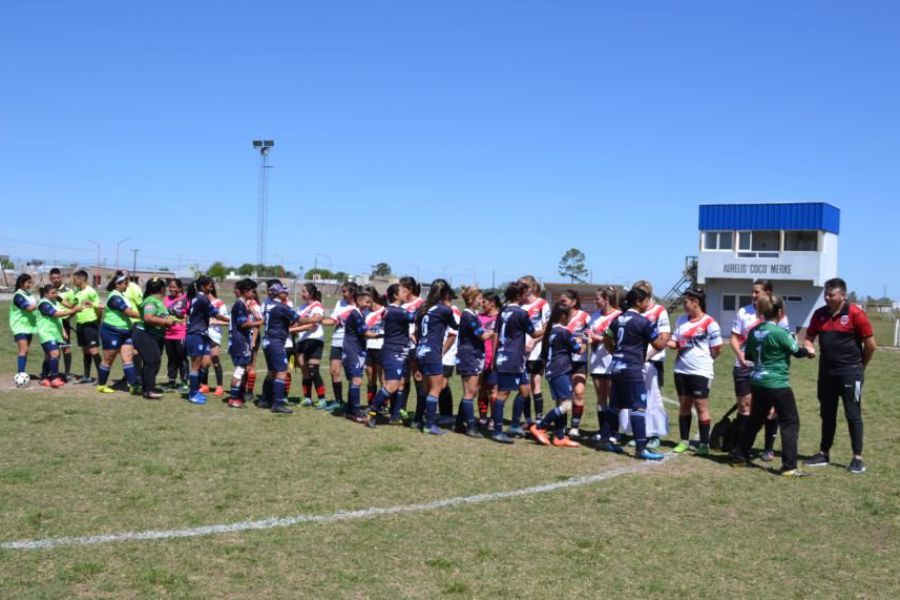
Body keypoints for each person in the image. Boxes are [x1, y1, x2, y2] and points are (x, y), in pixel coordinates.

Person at [731, 295, 815, 477]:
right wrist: (809, 352)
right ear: (780, 312)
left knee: (755, 420)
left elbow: (751, 357)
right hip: (777, 383)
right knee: (790, 422)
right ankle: (789, 466)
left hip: (757, 381)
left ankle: (740, 455)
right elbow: (797, 352)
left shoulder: (754, 332)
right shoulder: (780, 333)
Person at [803, 278, 876, 474]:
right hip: (826, 374)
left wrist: (861, 367)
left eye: (831, 295)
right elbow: (809, 337)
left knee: (853, 414)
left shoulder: (855, 314)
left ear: (843, 295)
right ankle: (823, 453)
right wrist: (809, 346)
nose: (827, 298)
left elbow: (871, 345)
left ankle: (857, 457)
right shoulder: (819, 315)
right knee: (827, 414)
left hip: (850, 373)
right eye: (826, 294)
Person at [601, 285, 668, 460]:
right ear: (638, 302)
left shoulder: (617, 319)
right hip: (632, 367)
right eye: (646, 299)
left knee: (615, 405)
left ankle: (606, 440)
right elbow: (659, 345)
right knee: (638, 406)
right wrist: (667, 337)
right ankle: (641, 447)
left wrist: (614, 352)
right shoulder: (643, 322)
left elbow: (605, 338)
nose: (649, 302)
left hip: (616, 366)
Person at [730, 279, 789, 460]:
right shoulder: (743, 312)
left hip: (767, 370)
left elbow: (784, 342)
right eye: (753, 292)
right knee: (745, 407)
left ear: (769, 293)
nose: (754, 295)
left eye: (757, 292)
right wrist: (740, 356)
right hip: (744, 367)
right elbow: (734, 337)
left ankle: (767, 449)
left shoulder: (779, 315)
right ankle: (742, 448)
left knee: (771, 410)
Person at [668, 288, 722, 455]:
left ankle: (704, 443)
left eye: (686, 302)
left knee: (700, 406)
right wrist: (660, 341)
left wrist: (704, 361)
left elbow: (717, 349)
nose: (684, 305)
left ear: (695, 302)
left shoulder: (710, 323)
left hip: (701, 371)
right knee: (684, 405)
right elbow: (675, 342)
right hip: (681, 370)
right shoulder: (680, 321)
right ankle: (684, 441)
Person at [491, 281, 542, 444]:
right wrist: (549, 327)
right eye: (526, 294)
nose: (528, 297)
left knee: (525, 390)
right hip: (510, 358)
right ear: (518, 295)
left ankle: (514, 424)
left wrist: (494, 355)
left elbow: (496, 334)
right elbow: (534, 334)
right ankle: (497, 431)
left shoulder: (504, 311)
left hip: (513, 358)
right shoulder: (520, 313)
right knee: (503, 394)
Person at [530, 301, 582, 448]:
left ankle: (559, 437)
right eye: (570, 315)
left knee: (561, 403)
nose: (571, 317)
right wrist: (585, 340)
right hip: (560, 371)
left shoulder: (550, 332)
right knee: (566, 405)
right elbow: (578, 349)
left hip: (552, 370)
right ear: (563, 316)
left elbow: (544, 354)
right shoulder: (563, 332)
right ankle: (540, 427)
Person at [366, 284, 417, 427]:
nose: (406, 292)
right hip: (393, 352)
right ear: (395, 295)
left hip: (401, 351)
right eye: (402, 290)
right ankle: (372, 412)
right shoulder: (395, 311)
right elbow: (415, 317)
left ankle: (394, 416)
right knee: (392, 385)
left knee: (400, 384)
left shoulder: (396, 310)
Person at [413, 279, 458, 434]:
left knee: (426, 388)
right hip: (432, 351)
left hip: (420, 350)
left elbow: (417, 332)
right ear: (445, 293)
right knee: (436, 388)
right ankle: (430, 424)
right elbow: (456, 327)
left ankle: (421, 419)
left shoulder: (423, 309)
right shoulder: (444, 310)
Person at [454, 287, 493, 437]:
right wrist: (495, 331)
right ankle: (471, 427)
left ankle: (459, 423)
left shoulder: (473, 314)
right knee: (469, 393)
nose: (481, 301)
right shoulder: (467, 316)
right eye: (479, 298)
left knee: (473, 391)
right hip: (469, 356)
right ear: (471, 299)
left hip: (475, 356)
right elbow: (481, 335)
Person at [132, 278, 179, 399]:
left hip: (153, 335)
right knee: (153, 360)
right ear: (162, 289)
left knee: (152, 361)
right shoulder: (151, 301)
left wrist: (173, 320)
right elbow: (148, 318)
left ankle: (146, 388)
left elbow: (160, 317)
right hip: (144, 334)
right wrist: (165, 322)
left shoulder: (157, 301)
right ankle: (149, 390)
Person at [586, 287, 623, 443]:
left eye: (598, 299)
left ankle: (614, 431)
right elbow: (589, 334)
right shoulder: (594, 316)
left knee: (613, 397)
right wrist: (587, 339)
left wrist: (598, 338)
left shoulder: (619, 316)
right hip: (596, 361)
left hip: (611, 361)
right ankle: (603, 430)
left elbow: (619, 339)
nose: (595, 301)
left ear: (606, 300)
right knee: (601, 398)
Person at [259, 282, 301, 413]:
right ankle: (279, 402)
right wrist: (314, 319)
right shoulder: (282, 306)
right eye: (284, 291)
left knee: (273, 372)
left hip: (268, 341)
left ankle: (265, 399)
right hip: (279, 342)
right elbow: (298, 319)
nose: (287, 293)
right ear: (278, 293)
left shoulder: (267, 305)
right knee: (283, 371)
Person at [96, 273, 141, 394]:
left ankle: (133, 386)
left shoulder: (121, 295)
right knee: (108, 359)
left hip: (126, 332)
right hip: (112, 332)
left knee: (128, 358)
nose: (127, 285)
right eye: (125, 283)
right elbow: (129, 313)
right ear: (118, 284)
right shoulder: (115, 297)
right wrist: (146, 317)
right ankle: (101, 385)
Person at [35, 284, 82, 387]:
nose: (55, 295)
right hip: (46, 334)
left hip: (56, 334)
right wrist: (73, 311)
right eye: (52, 293)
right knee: (55, 353)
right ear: (45, 294)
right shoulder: (43, 304)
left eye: (56, 292)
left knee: (49, 356)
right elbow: (56, 314)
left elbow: (58, 319)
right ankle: (55, 378)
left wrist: (63, 331)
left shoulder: (54, 302)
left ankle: (43, 378)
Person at [322, 282, 359, 411]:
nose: (342, 294)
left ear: (352, 292)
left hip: (351, 343)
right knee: (334, 371)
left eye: (344, 291)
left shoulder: (360, 306)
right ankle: (338, 401)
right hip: (336, 342)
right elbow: (332, 320)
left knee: (351, 374)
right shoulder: (340, 303)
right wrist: (317, 321)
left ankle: (351, 402)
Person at [226, 279, 263, 409]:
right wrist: (258, 323)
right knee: (240, 369)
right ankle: (233, 398)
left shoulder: (242, 304)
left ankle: (236, 396)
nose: (253, 293)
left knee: (242, 369)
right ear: (245, 291)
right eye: (252, 290)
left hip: (240, 340)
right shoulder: (240, 305)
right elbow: (243, 324)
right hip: (239, 341)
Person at [184, 276, 221, 405]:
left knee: (204, 363)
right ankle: (193, 394)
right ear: (202, 287)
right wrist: (231, 320)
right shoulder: (202, 299)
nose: (211, 288)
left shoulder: (197, 298)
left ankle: (196, 389)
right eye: (209, 286)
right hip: (196, 335)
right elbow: (216, 313)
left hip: (202, 334)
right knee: (195, 365)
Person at [520, 276, 551, 426]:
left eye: (523, 287)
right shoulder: (519, 306)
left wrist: (533, 341)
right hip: (520, 352)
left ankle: (539, 419)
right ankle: (527, 420)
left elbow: (547, 328)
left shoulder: (542, 304)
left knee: (535, 384)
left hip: (537, 351)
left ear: (530, 288)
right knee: (524, 386)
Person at [560, 290, 590, 438]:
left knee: (578, 393)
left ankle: (575, 427)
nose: (562, 303)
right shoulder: (560, 317)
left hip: (579, 361)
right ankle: (562, 426)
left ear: (573, 302)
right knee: (563, 396)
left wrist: (585, 340)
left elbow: (591, 334)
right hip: (563, 361)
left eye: (564, 301)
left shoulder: (584, 316)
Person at [340, 287, 372, 422]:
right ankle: (355, 412)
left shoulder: (360, 314)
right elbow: (365, 333)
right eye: (367, 302)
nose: (369, 305)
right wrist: (384, 334)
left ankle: (350, 411)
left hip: (355, 350)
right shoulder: (356, 314)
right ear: (359, 301)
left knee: (354, 381)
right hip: (353, 351)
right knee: (356, 380)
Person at [294, 283, 327, 408]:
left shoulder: (317, 306)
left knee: (313, 370)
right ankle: (307, 398)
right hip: (302, 340)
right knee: (304, 370)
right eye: (301, 291)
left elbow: (317, 319)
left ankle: (322, 399)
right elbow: (298, 322)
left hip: (315, 340)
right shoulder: (302, 307)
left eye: (304, 292)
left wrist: (301, 321)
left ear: (311, 294)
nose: (302, 294)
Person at [69, 269, 104, 384]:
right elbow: (73, 306)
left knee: (93, 350)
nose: (73, 281)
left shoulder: (91, 291)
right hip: (80, 324)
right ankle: (87, 376)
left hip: (90, 324)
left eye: (75, 279)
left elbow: (99, 308)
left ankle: (102, 377)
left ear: (82, 279)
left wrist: (97, 322)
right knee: (85, 351)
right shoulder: (77, 291)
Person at [477, 293, 502, 425]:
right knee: (481, 388)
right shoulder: (478, 317)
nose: (482, 304)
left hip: (496, 359)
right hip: (480, 358)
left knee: (494, 390)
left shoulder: (501, 318)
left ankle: (493, 417)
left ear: (492, 303)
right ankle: (482, 416)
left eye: (484, 302)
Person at [201, 284, 229, 397]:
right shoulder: (201, 302)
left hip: (215, 335)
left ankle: (219, 386)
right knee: (204, 362)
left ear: (210, 288)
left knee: (215, 360)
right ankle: (204, 385)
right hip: (203, 334)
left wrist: (214, 322)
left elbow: (228, 321)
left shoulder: (219, 303)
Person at [9, 273, 38, 375]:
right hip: (19, 327)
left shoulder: (29, 294)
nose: (30, 285)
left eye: (31, 283)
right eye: (28, 283)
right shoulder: (18, 296)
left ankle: (22, 372)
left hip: (29, 326)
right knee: (23, 349)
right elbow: (29, 308)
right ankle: (20, 374)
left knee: (26, 351)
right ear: (21, 283)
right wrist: (41, 303)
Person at [49, 268, 74, 381]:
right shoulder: (47, 290)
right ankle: (52, 372)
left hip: (64, 321)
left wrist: (67, 318)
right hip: (51, 322)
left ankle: (67, 373)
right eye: (53, 278)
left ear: (61, 277)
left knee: (66, 349)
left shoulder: (68, 290)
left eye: (58, 277)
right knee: (52, 348)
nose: (56, 280)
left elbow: (72, 307)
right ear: (50, 278)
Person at [164, 279, 189, 392]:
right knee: (171, 359)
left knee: (181, 358)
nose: (171, 289)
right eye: (170, 287)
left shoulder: (186, 299)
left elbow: (189, 315)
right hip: (168, 334)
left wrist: (181, 318)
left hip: (181, 333)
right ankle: (171, 381)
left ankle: (184, 382)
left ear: (180, 288)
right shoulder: (166, 299)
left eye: (174, 287)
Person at [364, 286, 386, 409]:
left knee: (383, 378)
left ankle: (382, 405)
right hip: (368, 348)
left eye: (365, 297)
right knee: (370, 378)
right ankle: (371, 404)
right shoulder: (365, 313)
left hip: (381, 348)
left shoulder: (384, 311)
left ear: (372, 297)